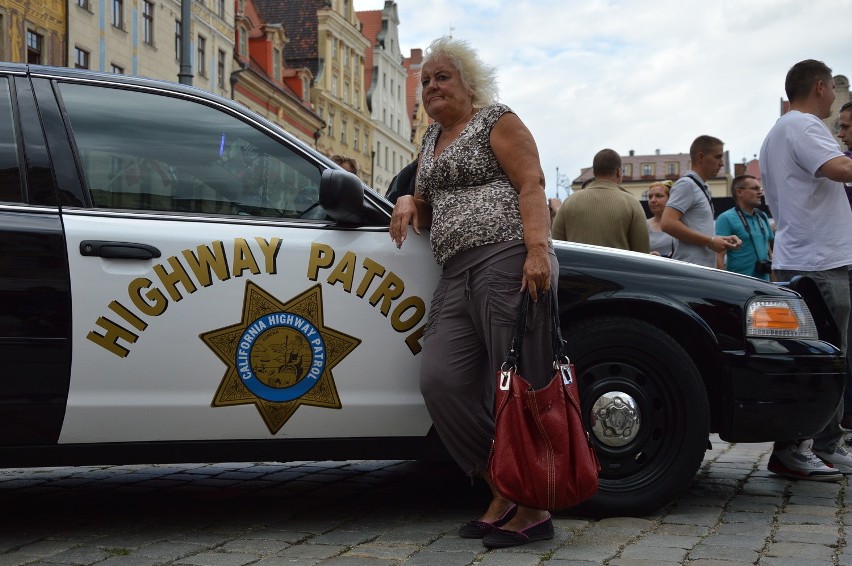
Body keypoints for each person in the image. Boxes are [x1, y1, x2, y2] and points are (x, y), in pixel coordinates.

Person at [389, 36, 557, 548]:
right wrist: (405, 199)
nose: (432, 86)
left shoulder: (495, 120)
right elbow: (420, 193)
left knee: (515, 386)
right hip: (455, 273)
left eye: (443, 77)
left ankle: (533, 507)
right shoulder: (430, 140)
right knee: (441, 380)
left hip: (506, 259)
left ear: (469, 82)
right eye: (425, 81)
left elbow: (531, 183)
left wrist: (536, 250)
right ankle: (503, 486)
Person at [760, 59, 852, 480]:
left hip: (803, 257)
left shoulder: (778, 132)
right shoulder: (804, 126)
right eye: (833, 88)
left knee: (814, 357)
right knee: (828, 358)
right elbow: (840, 169)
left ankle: (814, 445)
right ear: (819, 86)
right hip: (821, 262)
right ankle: (809, 446)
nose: (835, 98)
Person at [661, 136, 740, 267]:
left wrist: (718, 239)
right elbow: (667, 223)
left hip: (699, 268)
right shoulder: (687, 184)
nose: (722, 163)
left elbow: (697, 228)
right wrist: (710, 241)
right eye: (717, 157)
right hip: (690, 268)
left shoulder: (701, 187)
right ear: (701, 157)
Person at [552, 149, 650, 253]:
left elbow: (557, 247)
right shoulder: (632, 203)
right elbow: (642, 251)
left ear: (594, 172)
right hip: (617, 269)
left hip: (575, 268)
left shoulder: (569, 202)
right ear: (618, 172)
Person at [714, 175, 774, 280]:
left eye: (760, 189)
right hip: (739, 287)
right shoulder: (726, 218)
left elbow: (769, 251)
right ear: (739, 192)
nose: (760, 192)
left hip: (765, 285)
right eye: (755, 189)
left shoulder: (762, 216)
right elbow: (719, 256)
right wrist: (722, 285)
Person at [646, 181, 676, 257]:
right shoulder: (643, 225)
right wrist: (647, 255)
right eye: (650, 197)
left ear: (670, 198)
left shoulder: (682, 223)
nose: (653, 200)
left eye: (659, 196)